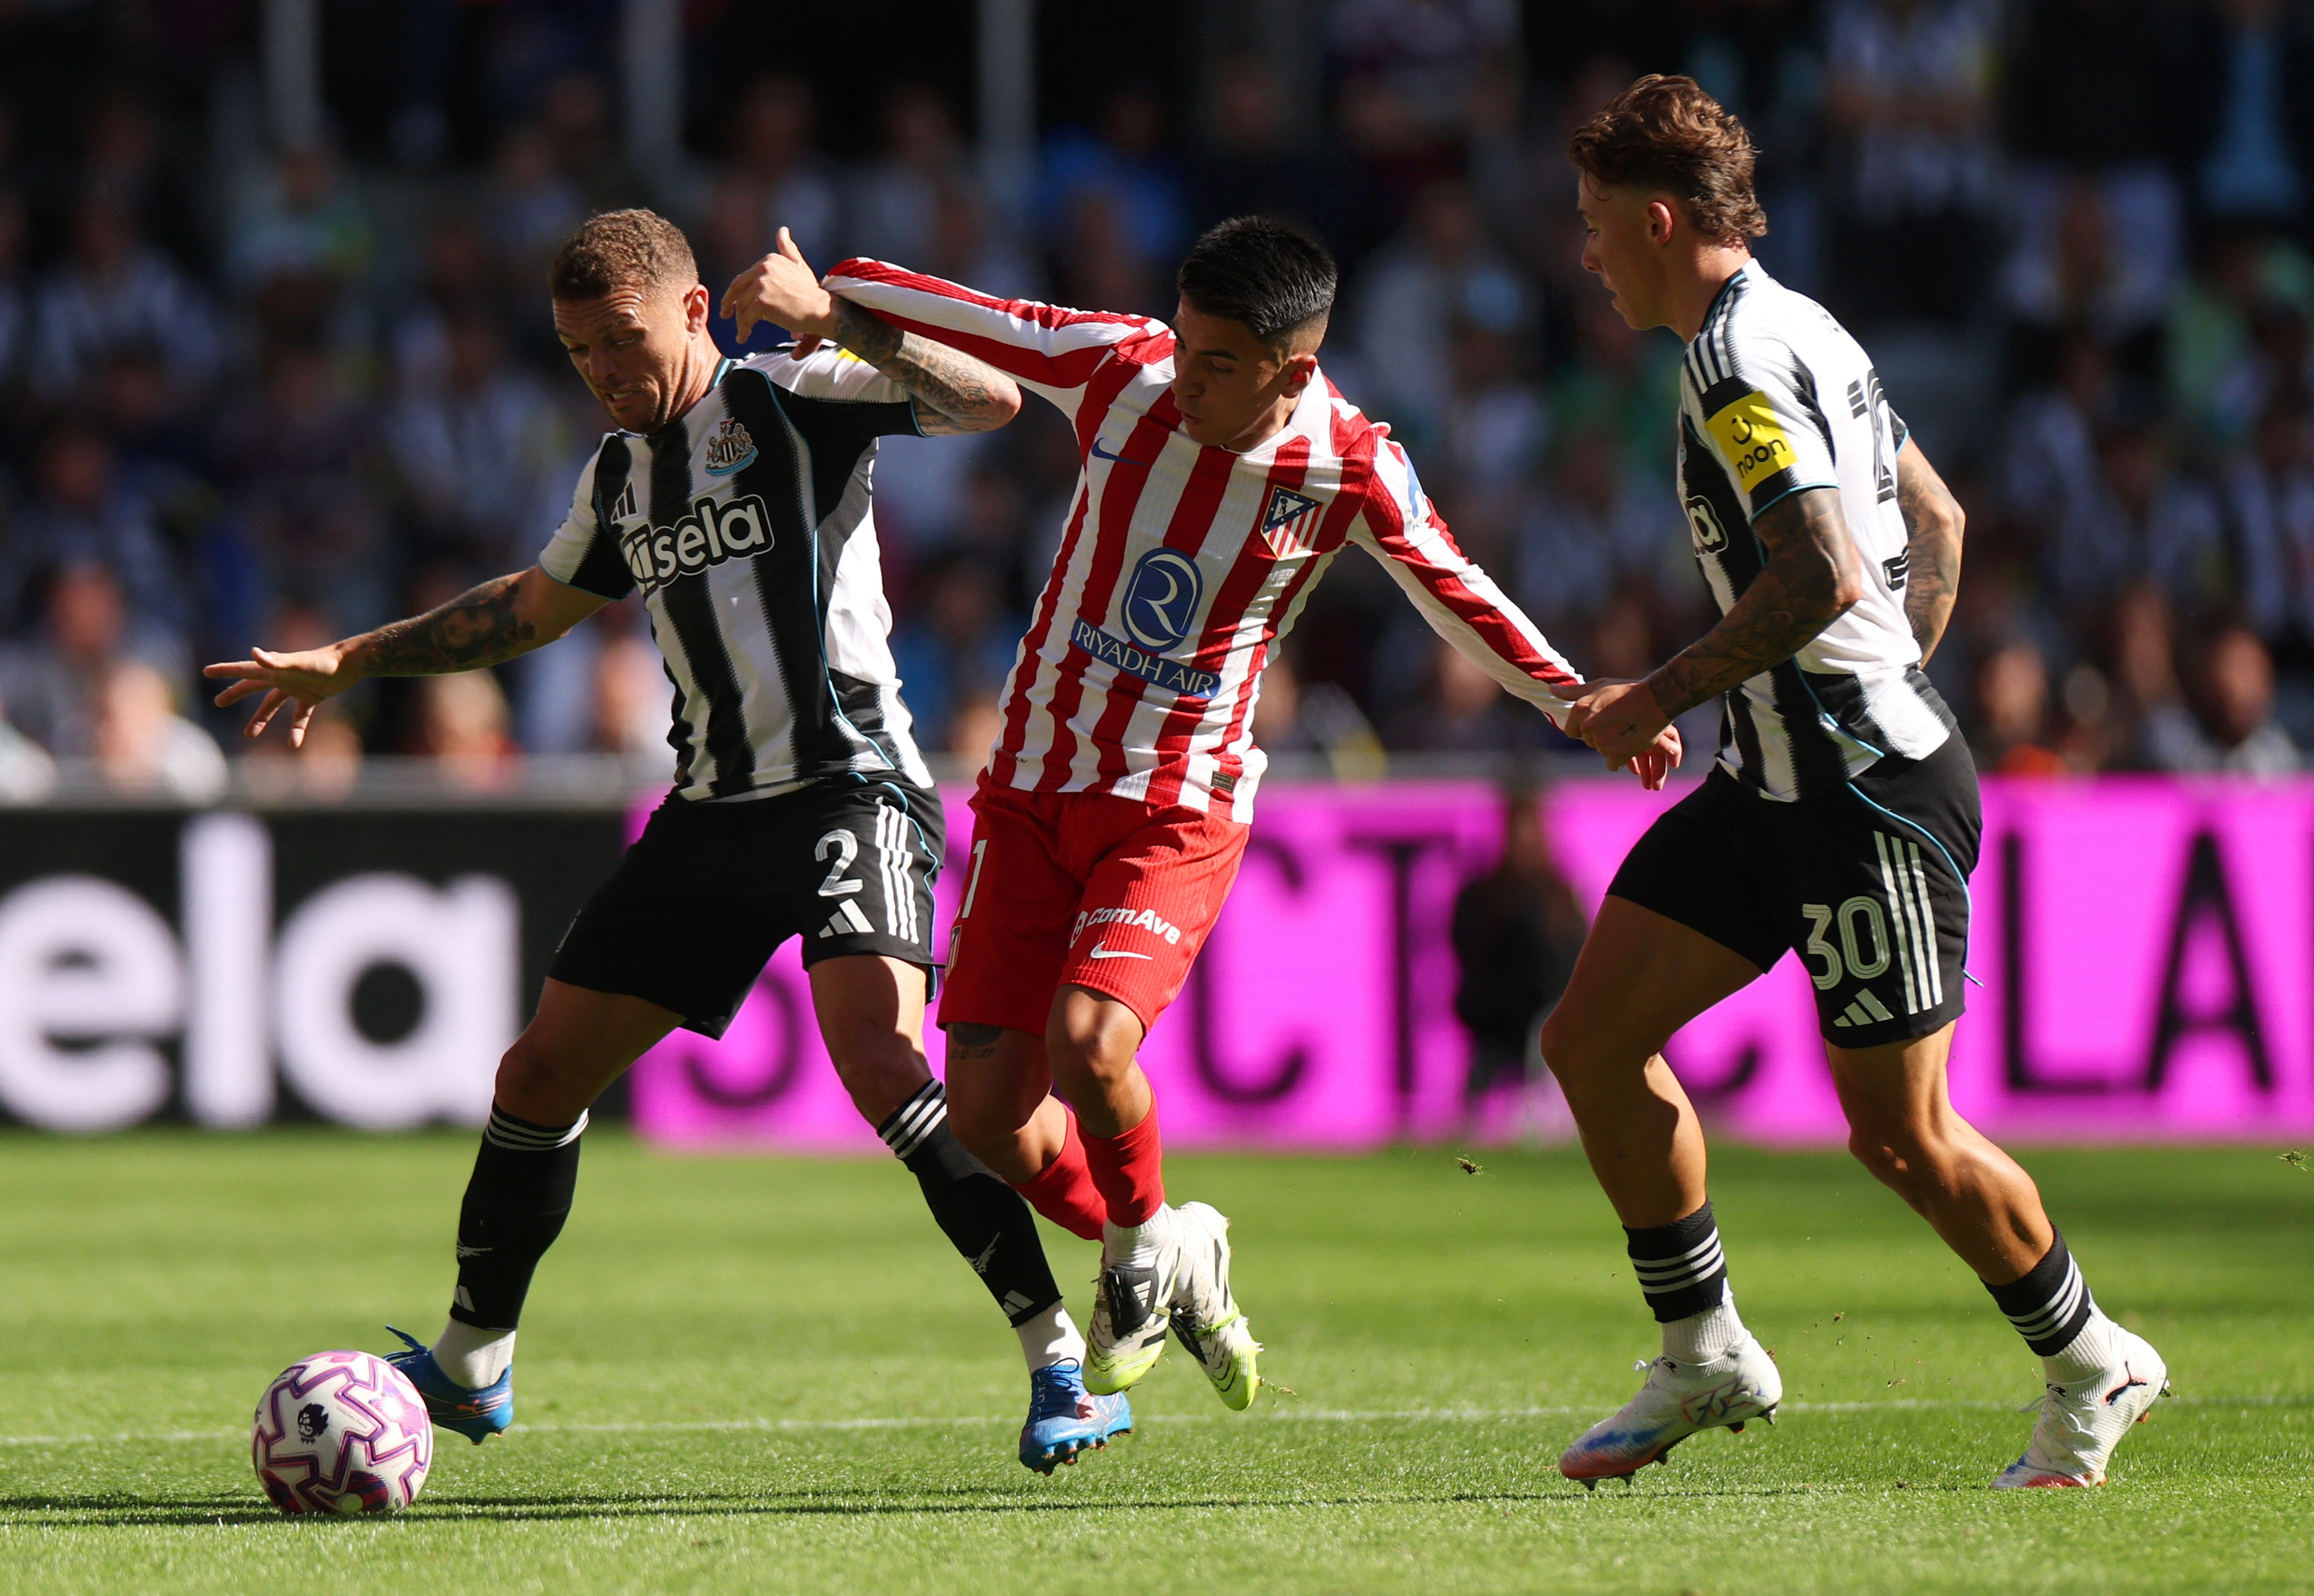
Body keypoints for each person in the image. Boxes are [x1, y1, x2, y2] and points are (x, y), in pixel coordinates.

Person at [205, 209, 1131, 1476]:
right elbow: (526, 610)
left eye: (619, 341)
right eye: (577, 350)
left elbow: (990, 408)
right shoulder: (617, 476)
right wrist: (352, 661)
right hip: (709, 811)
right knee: (535, 1076)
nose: (601, 370)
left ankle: (1057, 1360)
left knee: (874, 1056)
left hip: (847, 785)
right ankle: (475, 1362)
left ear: (694, 313)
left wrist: (837, 321)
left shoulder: (797, 400)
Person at [731, 215, 1681, 1416]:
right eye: (1183, 344)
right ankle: (1173, 1240)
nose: (1183, 376)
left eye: (1217, 362)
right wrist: (820, 296)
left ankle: (1135, 1263)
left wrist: (1576, 698)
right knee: (982, 1115)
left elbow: (1456, 590)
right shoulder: (1118, 368)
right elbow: (938, 303)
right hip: (1030, 785)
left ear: (1290, 369)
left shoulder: (1346, 462)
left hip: (1175, 801)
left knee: (1087, 1046)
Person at [1543, 76, 2168, 1491]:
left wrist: (1661, 695)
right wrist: (1864, 682)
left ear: (1654, 221)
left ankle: (2092, 1362)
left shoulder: (1733, 364)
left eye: (1593, 227)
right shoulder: (1801, 322)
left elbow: (1821, 571)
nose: (1583, 254)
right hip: (1782, 779)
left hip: (1855, 796)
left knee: (1900, 1137)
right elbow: (1932, 519)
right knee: (1588, 1039)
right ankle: (1702, 1352)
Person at [1449, 784, 1586, 1132]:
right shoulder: (1483, 897)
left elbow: (1575, 963)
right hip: (1497, 1021)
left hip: (1549, 1020)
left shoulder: (1561, 897)